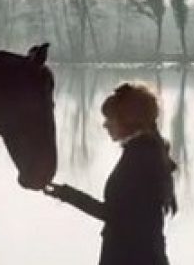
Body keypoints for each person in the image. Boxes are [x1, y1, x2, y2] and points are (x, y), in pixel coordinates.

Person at [44, 82, 177, 265]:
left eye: (110, 119)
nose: (105, 125)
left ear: (128, 119)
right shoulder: (148, 152)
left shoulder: (140, 157)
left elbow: (115, 215)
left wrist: (67, 195)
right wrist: (64, 193)